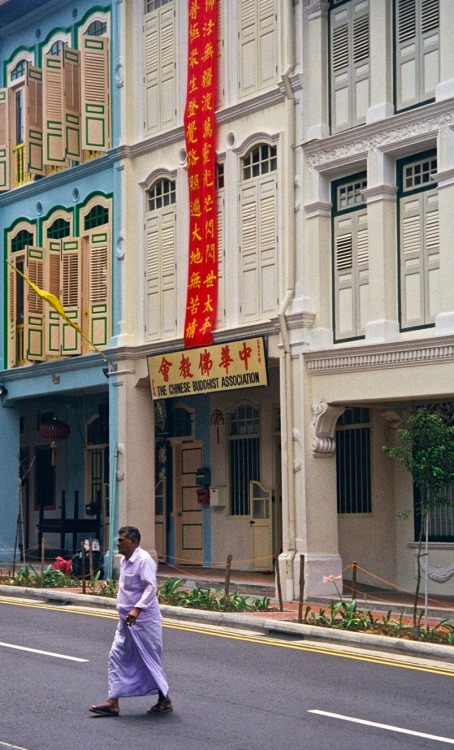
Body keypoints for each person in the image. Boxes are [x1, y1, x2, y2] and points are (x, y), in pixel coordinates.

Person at [90, 525, 172, 717]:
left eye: (121, 540)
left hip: (144, 622)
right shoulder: (125, 561)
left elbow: (151, 588)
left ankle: (164, 699)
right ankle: (113, 702)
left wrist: (137, 608)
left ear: (133, 542)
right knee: (116, 656)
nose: (117, 544)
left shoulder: (144, 560)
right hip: (126, 621)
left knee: (149, 660)